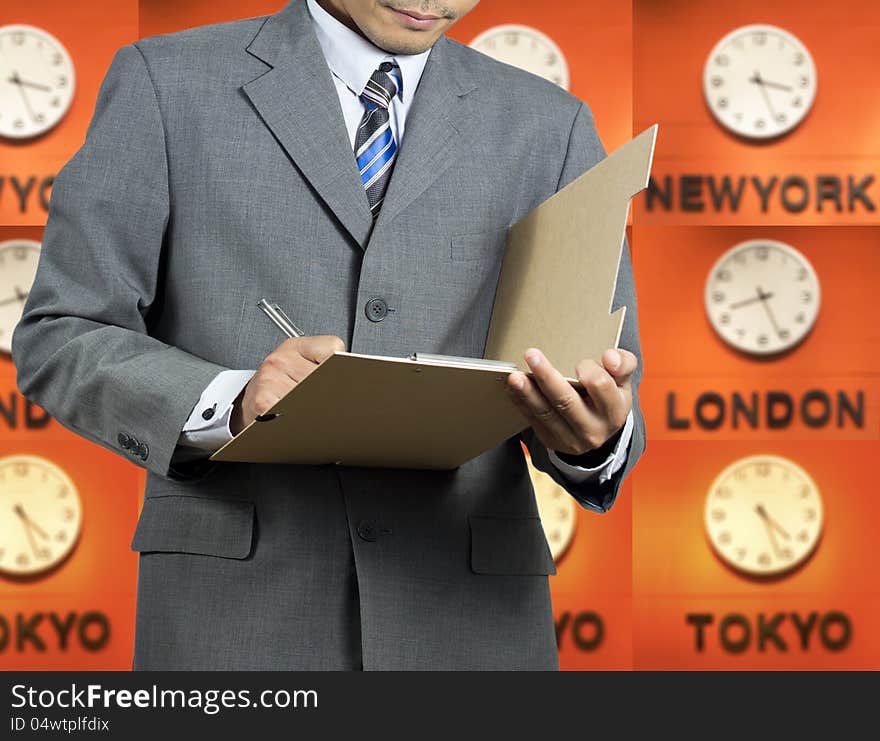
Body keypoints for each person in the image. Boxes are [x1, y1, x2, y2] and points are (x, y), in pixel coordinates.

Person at [12, 0, 645, 670]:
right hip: (234, 628)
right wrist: (230, 402)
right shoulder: (163, 84)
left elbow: (597, 383)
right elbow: (64, 331)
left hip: (470, 630)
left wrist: (594, 441)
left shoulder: (554, 126)